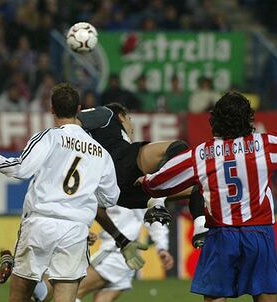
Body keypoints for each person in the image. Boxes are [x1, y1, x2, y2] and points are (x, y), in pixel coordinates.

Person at [139, 91, 277, 302]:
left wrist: (146, 182)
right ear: (248, 119)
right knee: (266, 297)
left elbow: (161, 180)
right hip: (258, 233)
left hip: (221, 235)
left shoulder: (201, 154)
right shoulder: (264, 145)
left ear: (215, 119)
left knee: (215, 299)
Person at [0, 83, 125, 302]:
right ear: (79, 109)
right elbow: (111, 197)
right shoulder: (101, 153)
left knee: (19, 298)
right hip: (75, 229)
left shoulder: (49, 137)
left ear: (52, 110)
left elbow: (21, 169)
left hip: (40, 224)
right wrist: (83, 197)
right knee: (64, 300)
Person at [77, 103, 208, 247]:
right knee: (179, 147)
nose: (132, 129)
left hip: (123, 196)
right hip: (121, 163)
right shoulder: (106, 113)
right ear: (121, 117)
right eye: (130, 120)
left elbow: (98, 211)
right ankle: (158, 195)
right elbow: (72, 118)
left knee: (198, 187)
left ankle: (200, 229)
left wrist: (121, 239)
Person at [31, 201, 173, 302]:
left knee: (68, 289)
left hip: (116, 251)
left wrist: (162, 247)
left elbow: (156, 218)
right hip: (125, 256)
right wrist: (162, 247)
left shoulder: (140, 182)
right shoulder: (139, 181)